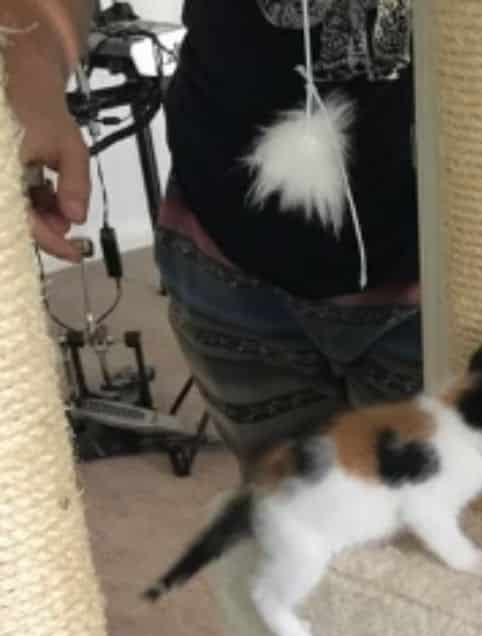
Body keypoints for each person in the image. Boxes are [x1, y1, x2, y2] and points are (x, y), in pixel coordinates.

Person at [4, 0, 423, 464]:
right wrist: (28, 75)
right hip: (222, 252)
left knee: (426, 521)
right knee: (284, 514)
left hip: (450, 272)